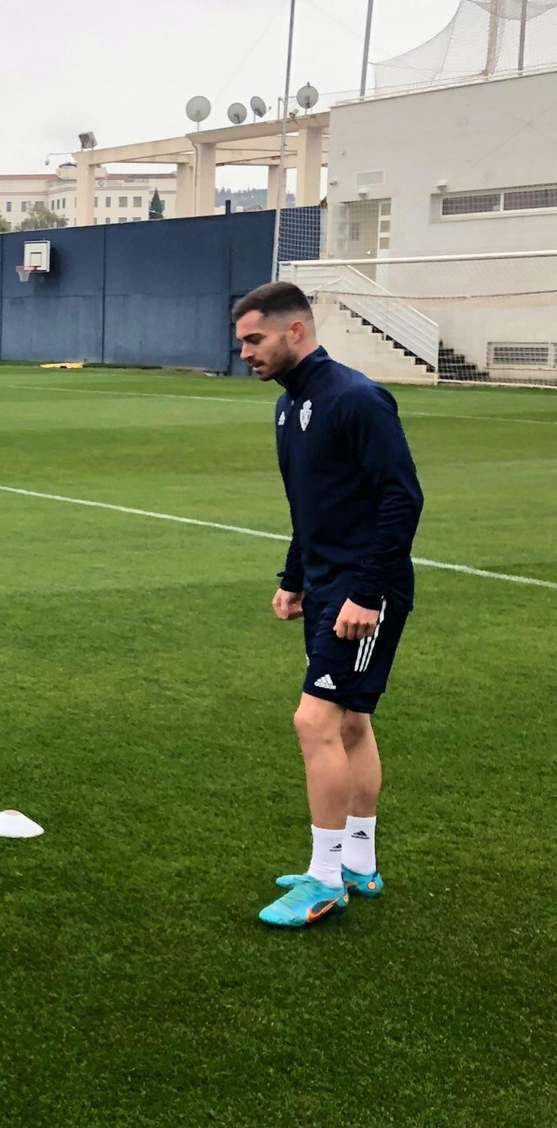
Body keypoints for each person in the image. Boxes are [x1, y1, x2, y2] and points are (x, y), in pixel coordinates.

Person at [234, 281, 424, 928]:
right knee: (350, 724)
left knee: (314, 723)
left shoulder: (357, 399)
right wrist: (293, 577)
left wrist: (366, 592)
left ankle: (323, 880)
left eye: (254, 340)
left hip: (365, 592)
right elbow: (311, 509)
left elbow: (403, 498)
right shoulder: (290, 408)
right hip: (326, 586)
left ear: (295, 332)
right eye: (241, 343)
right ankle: (360, 863)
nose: (245, 354)